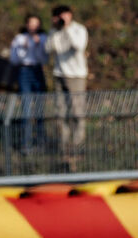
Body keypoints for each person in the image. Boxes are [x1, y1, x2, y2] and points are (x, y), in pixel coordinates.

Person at [45, 4, 89, 153]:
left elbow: (78, 46)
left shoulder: (78, 29)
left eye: (64, 14)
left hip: (76, 75)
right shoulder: (54, 31)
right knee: (60, 110)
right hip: (59, 74)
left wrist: (67, 29)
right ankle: (63, 142)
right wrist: (56, 31)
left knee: (77, 109)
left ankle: (79, 142)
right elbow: (49, 49)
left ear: (70, 15)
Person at [10, 15, 48, 151]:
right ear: (26, 24)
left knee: (39, 109)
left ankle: (41, 143)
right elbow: (14, 59)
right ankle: (26, 144)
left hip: (37, 71)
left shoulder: (43, 38)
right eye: (31, 24)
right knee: (26, 109)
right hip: (24, 72)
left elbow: (44, 59)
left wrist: (37, 46)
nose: (33, 27)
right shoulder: (19, 39)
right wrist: (24, 48)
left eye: (36, 24)